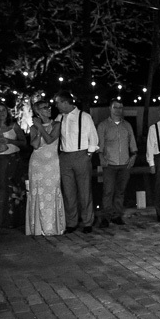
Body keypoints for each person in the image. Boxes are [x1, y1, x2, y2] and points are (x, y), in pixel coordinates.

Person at [54, 91, 99, 234]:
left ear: (66, 102)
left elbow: (93, 137)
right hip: (65, 157)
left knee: (84, 190)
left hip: (81, 155)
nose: (56, 105)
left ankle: (87, 222)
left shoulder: (84, 116)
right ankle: (71, 222)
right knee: (68, 192)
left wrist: (89, 154)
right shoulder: (59, 117)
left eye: (58, 102)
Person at [26, 100, 66, 236]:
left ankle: (52, 226)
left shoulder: (56, 124)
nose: (48, 109)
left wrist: (40, 127)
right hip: (37, 163)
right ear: (38, 111)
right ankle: (37, 227)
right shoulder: (33, 128)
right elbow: (35, 145)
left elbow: (50, 140)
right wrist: (37, 129)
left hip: (52, 163)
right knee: (37, 191)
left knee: (52, 190)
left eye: (48, 107)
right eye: (44, 108)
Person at [96, 99, 137, 228]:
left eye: (120, 107)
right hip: (110, 164)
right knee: (108, 191)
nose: (118, 110)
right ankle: (106, 216)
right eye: (115, 107)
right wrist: (101, 157)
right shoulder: (103, 126)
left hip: (124, 164)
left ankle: (117, 215)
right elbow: (100, 144)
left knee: (120, 191)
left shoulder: (127, 125)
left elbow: (132, 143)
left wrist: (134, 156)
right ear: (110, 108)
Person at [0, 102, 28, 231]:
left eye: (3, 110)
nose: (1, 113)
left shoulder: (13, 126)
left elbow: (24, 143)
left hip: (14, 161)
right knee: (1, 190)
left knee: (16, 190)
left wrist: (10, 141)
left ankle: (17, 220)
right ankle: (1, 220)